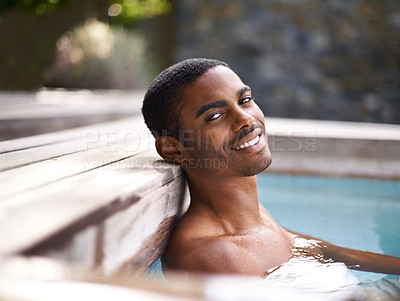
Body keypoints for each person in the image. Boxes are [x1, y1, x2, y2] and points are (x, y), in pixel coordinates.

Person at [141, 58, 400, 278]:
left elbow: (324, 252)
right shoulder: (214, 255)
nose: (245, 119)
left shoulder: (255, 216)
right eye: (215, 116)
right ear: (173, 149)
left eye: (245, 100)